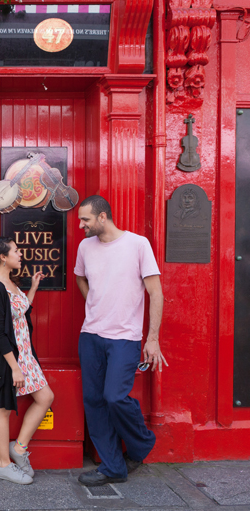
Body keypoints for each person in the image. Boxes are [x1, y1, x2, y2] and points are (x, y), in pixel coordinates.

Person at [74, 195, 168, 487]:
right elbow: (80, 277)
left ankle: (141, 444)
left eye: (86, 220)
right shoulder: (85, 246)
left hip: (124, 338)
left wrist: (152, 339)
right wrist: (94, 303)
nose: (81, 225)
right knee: (94, 402)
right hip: (90, 335)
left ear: (103, 217)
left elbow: (156, 292)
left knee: (114, 397)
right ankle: (113, 467)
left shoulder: (137, 244)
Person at [0, 237, 55, 485]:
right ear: (3, 256)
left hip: (25, 355)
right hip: (7, 360)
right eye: (16, 251)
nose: (20, 255)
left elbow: (20, 311)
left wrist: (32, 288)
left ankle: (19, 448)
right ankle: (3, 465)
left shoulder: (10, 282)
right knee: (2, 409)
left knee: (45, 397)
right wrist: (14, 368)